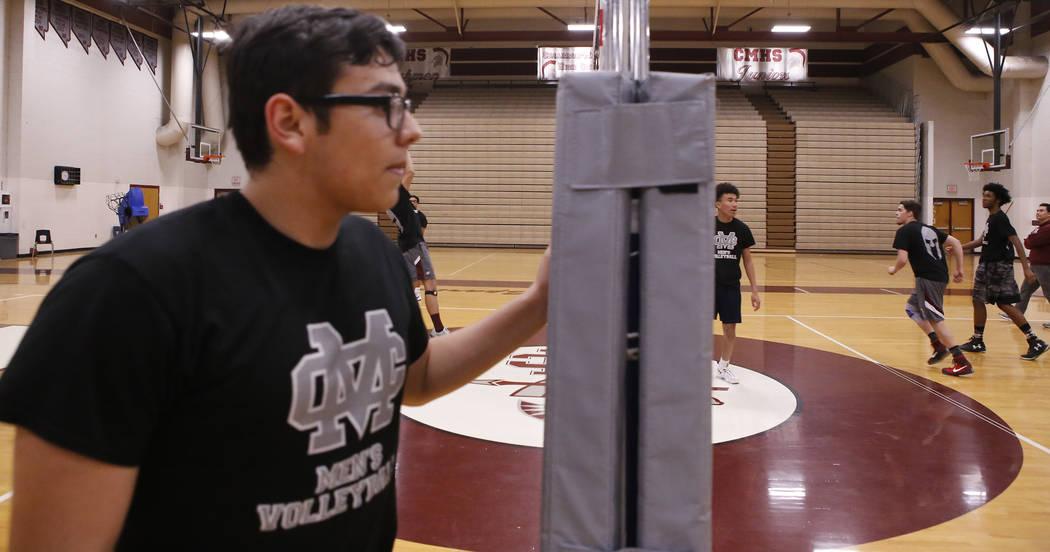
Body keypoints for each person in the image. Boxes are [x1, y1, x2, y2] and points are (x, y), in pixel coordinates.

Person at [0, 6, 549, 551]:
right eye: (386, 105)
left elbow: (419, 378)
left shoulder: (372, 255)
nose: (413, 131)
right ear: (290, 122)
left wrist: (538, 302)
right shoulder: (129, 292)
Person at [958, 183, 1048, 360]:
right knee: (978, 300)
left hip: (998, 267)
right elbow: (980, 241)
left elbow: (1017, 242)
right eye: (983, 195)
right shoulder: (991, 218)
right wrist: (958, 247)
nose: (984, 198)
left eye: (988, 196)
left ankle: (1035, 341)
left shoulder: (1000, 218)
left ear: (998, 200)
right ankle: (977, 340)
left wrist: (1026, 268)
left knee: (1004, 304)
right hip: (987, 265)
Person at [888, 200, 973, 376]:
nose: (896, 213)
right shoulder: (929, 228)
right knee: (912, 308)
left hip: (928, 278)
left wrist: (894, 269)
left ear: (910, 213)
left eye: (899, 210)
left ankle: (961, 360)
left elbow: (902, 259)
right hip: (939, 275)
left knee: (935, 318)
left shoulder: (904, 231)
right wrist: (959, 269)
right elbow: (956, 243)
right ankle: (938, 345)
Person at [387, 156, 448, 337]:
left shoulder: (388, 199)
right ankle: (437, 330)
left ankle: (404, 329)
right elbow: (410, 171)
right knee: (429, 285)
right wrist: (404, 148)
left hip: (407, 245)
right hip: (414, 245)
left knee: (413, 289)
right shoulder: (395, 195)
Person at [713, 182, 761, 384]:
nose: (734, 204)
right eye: (730, 200)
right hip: (706, 287)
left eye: (736, 201)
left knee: (730, 327)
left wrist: (755, 290)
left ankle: (724, 366)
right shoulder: (705, 225)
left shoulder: (742, 229)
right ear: (718, 203)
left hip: (731, 286)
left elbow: (748, 260)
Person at [999, 202, 1050, 328]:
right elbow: (1030, 241)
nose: (1038, 212)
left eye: (1042, 210)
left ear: (1049, 213)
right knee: (1025, 290)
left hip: (1044, 266)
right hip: (1035, 265)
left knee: (1049, 292)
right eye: (1037, 210)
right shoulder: (1040, 227)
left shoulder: (1048, 228)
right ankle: (1017, 313)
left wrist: (1029, 239)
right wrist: (1030, 240)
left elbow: (1030, 241)